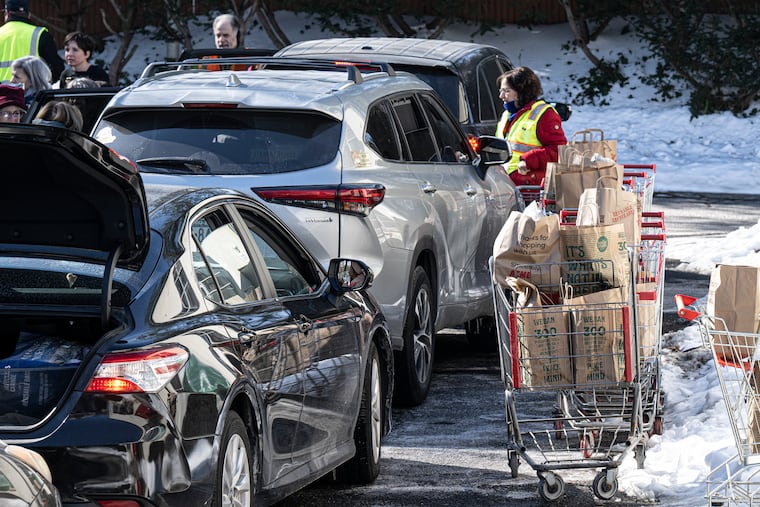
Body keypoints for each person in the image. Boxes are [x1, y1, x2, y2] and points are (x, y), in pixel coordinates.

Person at [495, 66, 567, 187]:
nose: (501, 96)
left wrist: (528, 161)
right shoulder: (507, 115)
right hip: (507, 186)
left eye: (507, 91)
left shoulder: (544, 114)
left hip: (530, 188)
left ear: (521, 92)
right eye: (500, 91)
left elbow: (559, 151)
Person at [0, 0, 63, 82]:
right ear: (29, 14)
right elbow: (57, 68)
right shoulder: (40, 34)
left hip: (3, 92)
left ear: (7, 13)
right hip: (32, 93)